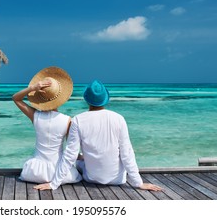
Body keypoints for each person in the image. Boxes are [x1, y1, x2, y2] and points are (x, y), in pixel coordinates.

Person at [34, 80, 162, 191]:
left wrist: (54, 183)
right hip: (118, 179)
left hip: (92, 178)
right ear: (105, 99)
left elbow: (70, 154)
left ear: (87, 100)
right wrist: (138, 183)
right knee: (121, 152)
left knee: (78, 161)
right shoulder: (119, 118)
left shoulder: (78, 120)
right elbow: (127, 153)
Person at [12, 66, 82, 184]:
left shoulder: (35, 116)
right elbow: (71, 150)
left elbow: (16, 98)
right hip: (59, 173)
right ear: (60, 97)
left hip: (35, 173)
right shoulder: (67, 120)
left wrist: (32, 88)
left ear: (42, 97)